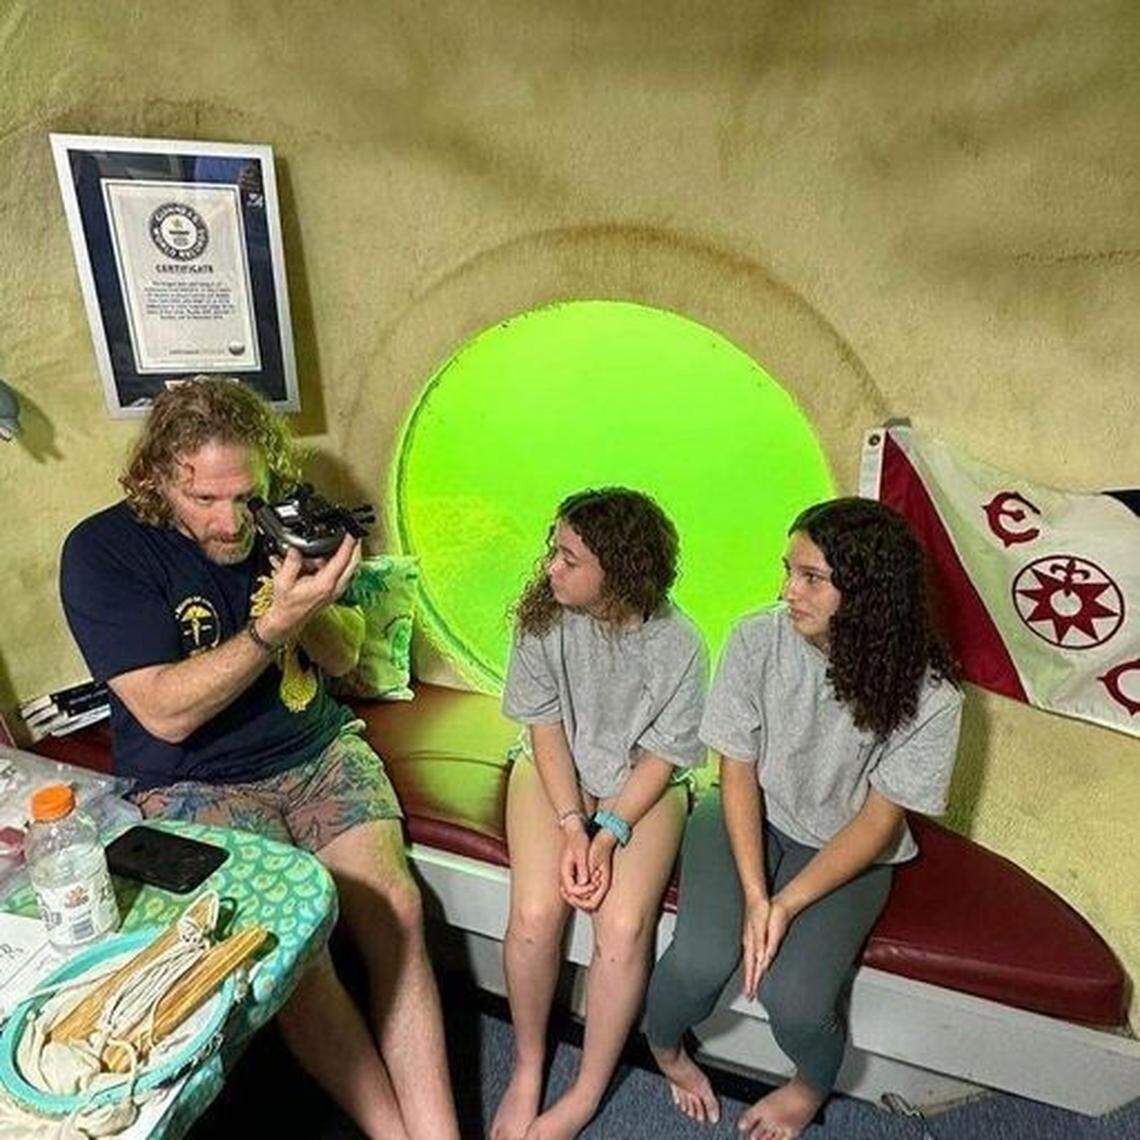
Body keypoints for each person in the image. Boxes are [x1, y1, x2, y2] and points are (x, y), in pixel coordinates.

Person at [59, 378, 458, 1140]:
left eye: (247, 496)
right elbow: (165, 712)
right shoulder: (104, 552)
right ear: (160, 478)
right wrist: (273, 625)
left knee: (398, 909)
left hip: (315, 750)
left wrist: (310, 595)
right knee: (297, 948)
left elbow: (340, 656)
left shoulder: (276, 517)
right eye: (205, 500)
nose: (230, 520)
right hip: (194, 780)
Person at [644, 497, 963, 1140]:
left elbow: (877, 825)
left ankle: (809, 1088)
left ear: (867, 593)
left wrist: (784, 905)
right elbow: (734, 770)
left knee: (797, 1003)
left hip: (847, 845)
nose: (788, 590)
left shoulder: (932, 695)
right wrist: (756, 893)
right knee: (698, 964)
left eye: (811, 577)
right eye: (787, 570)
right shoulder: (755, 636)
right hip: (745, 814)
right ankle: (667, 1055)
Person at [491, 488, 708, 1140]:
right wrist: (569, 825)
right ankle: (528, 1067)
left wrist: (608, 832)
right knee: (534, 912)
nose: (550, 567)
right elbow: (546, 729)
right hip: (553, 769)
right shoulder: (542, 620)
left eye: (569, 557)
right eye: (553, 548)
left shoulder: (683, 646)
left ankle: (585, 1091)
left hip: (644, 784)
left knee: (621, 926)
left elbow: (663, 760)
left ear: (618, 570)